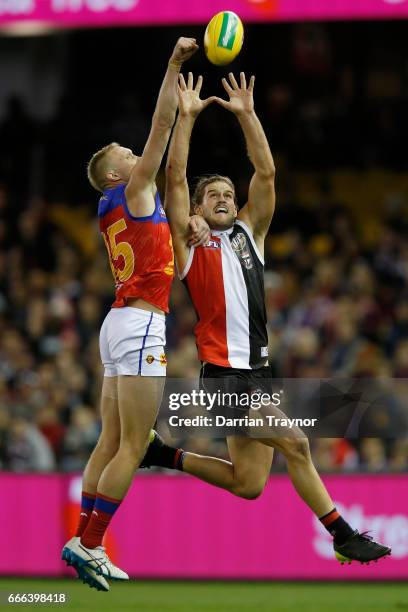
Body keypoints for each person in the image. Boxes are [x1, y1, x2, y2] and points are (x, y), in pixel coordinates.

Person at [142, 71, 391, 565]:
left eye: (229, 194)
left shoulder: (249, 235)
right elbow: (172, 177)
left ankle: (162, 455)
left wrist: (249, 115)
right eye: (213, 195)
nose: (224, 198)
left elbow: (267, 174)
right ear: (196, 207)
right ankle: (341, 532)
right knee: (296, 442)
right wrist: (186, 118)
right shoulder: (191, 246)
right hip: (225, 376)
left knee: (250, 484)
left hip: (258, 374)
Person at [61, 38, 210, 592]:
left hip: (117, 323)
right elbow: (161, 130)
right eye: (123, 152)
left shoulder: (110, 209)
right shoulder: (134, 187)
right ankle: (92, 543)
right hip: (142, 322)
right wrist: (173, 66)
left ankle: (81, 539)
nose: (132, 152)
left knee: (109, 439)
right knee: (134, 442)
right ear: (114, 175)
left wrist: (188, 227)